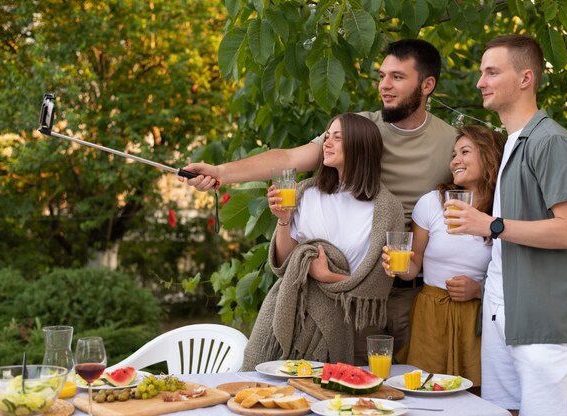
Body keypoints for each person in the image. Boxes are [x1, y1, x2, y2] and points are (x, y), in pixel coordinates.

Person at [182, 39, 458, 357]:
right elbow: (287, 158)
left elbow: (473, 207)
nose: (384, 85)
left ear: (427, 84)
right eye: (381, 76)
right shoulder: (359, 129)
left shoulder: (451, 143)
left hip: (412, 293)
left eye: (397, 77)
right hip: (346, 297)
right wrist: (221, 172)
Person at [444, 34, 567, 415]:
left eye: (491, 72)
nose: (480, 82)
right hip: (503, 313)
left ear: (525, 78)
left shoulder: (551, 142)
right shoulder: (513, 143)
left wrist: (492, 226)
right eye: (481, 72)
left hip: (543, 319)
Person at [241, 113, 404, 370]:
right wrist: (283, 219)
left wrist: (327, 277)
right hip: (296, 312)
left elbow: (378, 286)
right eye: (327, 136)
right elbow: (284, 265)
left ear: (361, 146)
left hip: (353, 325)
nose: (326, 143)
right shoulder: (306, 192)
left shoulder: (386, 208)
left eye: (337, 138)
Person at [382, 125, 506, 387]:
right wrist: (397, 264)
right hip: (431, 313)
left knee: (478, 393)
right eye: (453, 154)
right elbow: (413, 267)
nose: (455, 161)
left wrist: (478, 291)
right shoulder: (431, 203)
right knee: (424, 389)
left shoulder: (501, 210)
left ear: (489, 156)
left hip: (479, 317)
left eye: (465, 152)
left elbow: (517, 273)